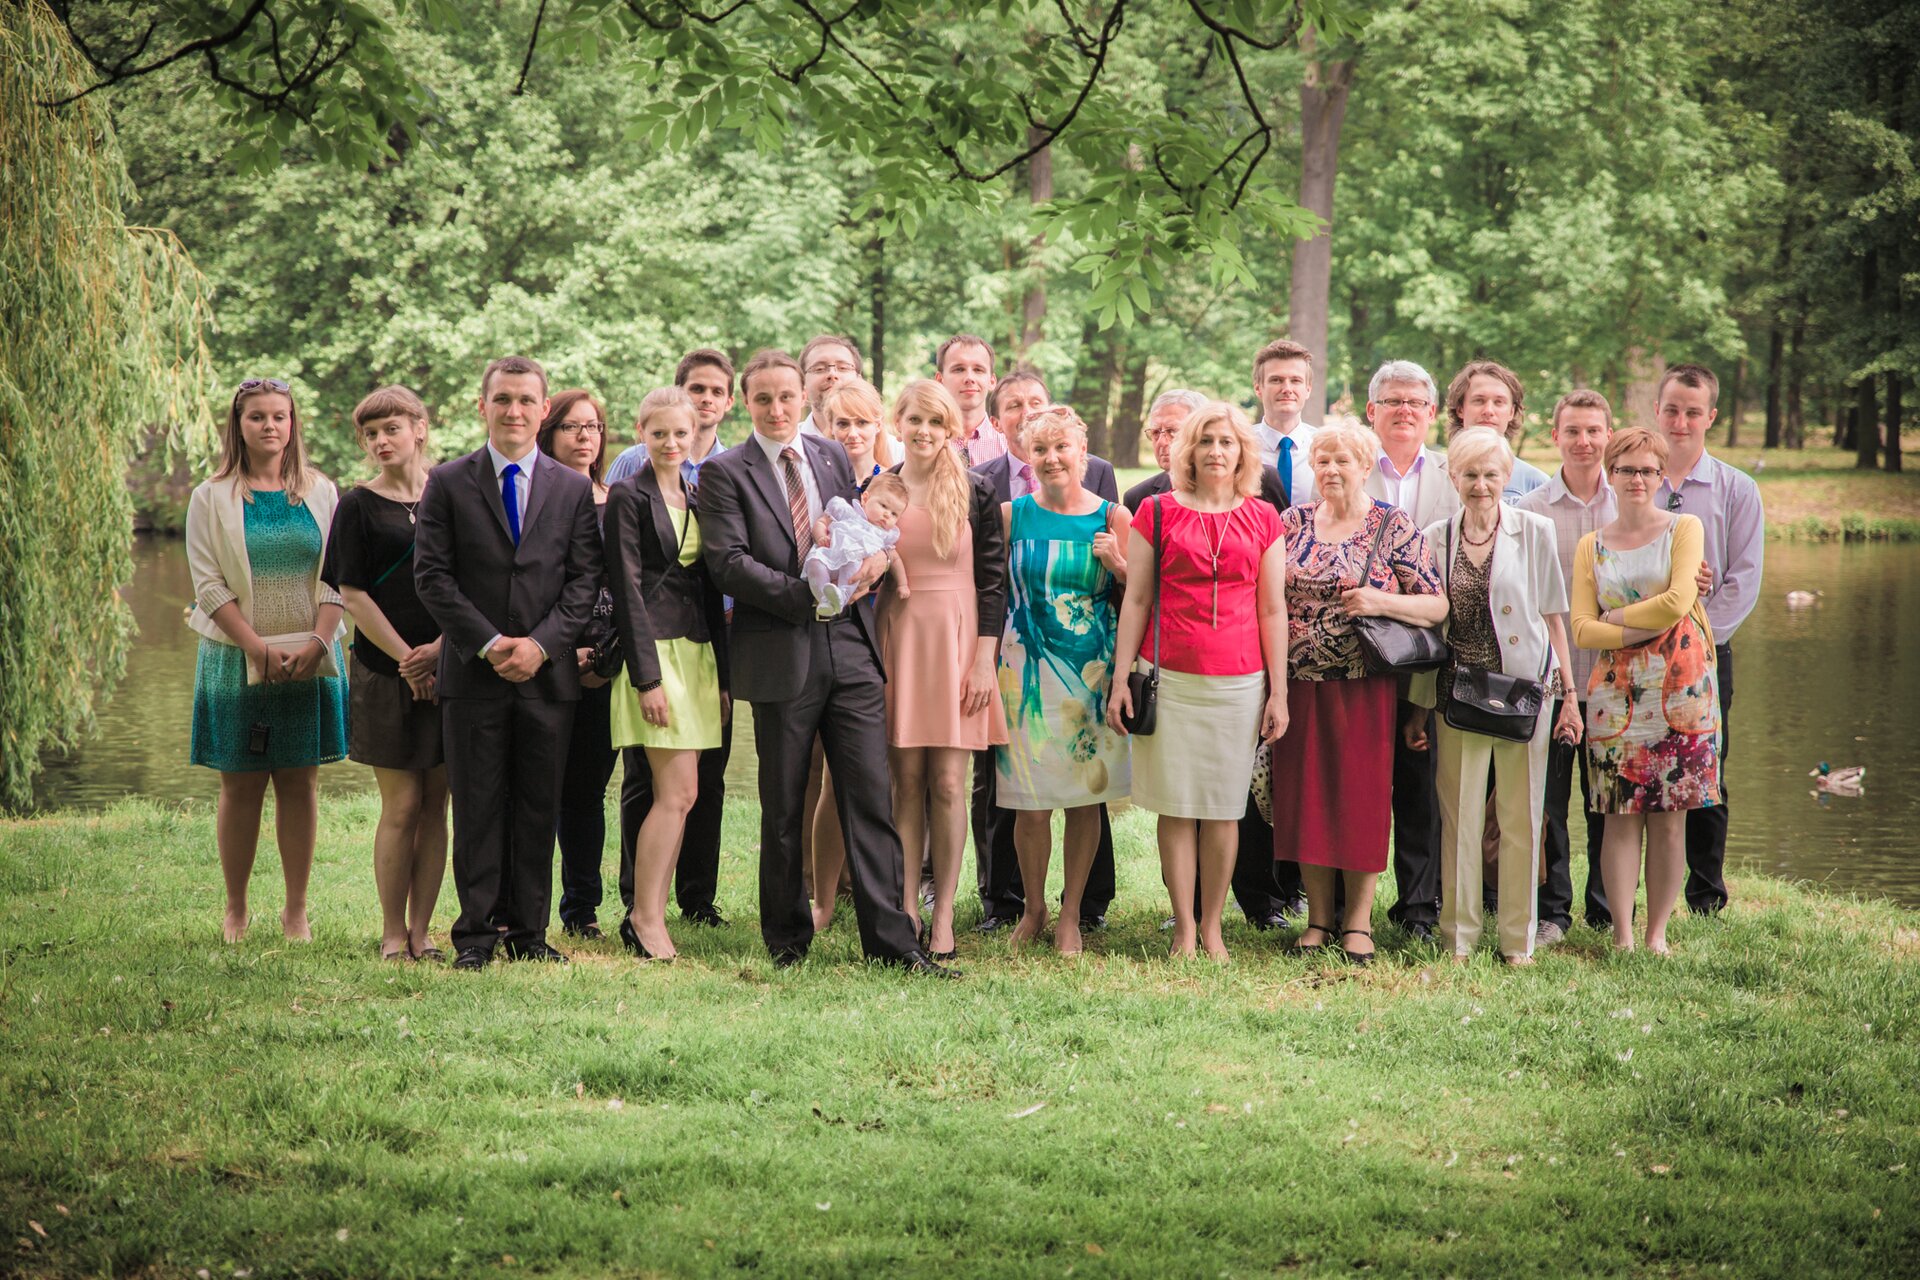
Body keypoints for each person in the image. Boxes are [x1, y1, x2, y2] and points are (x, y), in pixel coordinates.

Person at [697, 348, 949, 974]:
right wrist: (808, 598)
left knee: (870, 795)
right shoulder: (725, 473)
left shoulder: (833, 455)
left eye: (786, 397)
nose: (777, 408)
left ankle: (893, 944)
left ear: (802, 399)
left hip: (854, 650)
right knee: (783, 804)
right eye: (763, 399)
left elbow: (856, 530)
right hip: (784, 647)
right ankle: (786, 940)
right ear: (746, 403)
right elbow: (728, 563)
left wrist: (872, 565)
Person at [415, 355, 604, 971]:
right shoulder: (447, 482)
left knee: (536, 805)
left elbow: (583, 582)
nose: (515, 411)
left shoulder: (573, 489)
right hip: (473, 675)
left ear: (543, 410)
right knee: (476, 807)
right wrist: (492, 644)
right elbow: (434, 579)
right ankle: (474, 936)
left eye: (526, 400)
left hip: (548, 678)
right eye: (503, 400)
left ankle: (529, 933)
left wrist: (541, 646)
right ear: (483, 406)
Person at [1108, 402, 1289, 962]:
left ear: (1242, 452)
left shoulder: (1263, 518)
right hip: (1168, 678)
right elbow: (1135, 600)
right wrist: (1120, 680)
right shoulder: (1156, 512)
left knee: (1224, 807)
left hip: (1239, 682)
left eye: (1227, 442)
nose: (1216, 451)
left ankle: (1214, 925)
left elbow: (1273, 610)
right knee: (1177, 806)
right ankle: (1184, 926)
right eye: (1206, 441)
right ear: (1189, 450)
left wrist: (1278, 691)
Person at [1272, 425, 1447, 965]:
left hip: (1365, 687)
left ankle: (1358, 923)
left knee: (1361, 802)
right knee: (1307, 802)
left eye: (1342, 460)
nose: (1330, 469)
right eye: (1322, 460)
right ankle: (1318, 919)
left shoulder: (1391, 525)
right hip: (1299, 686)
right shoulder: (1292, 521)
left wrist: (1380, 601)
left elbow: (1437, 606)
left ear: (1365, 463)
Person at [1404, 429, 1579, 966]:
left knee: (1522, 816)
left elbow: (1554, 617)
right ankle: (1458, 937)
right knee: (1458, 819)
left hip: (1524, 693)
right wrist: (1417, 706)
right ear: (1453, 478)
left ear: (1507, 478)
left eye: (1491, 475)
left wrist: (1568, 696)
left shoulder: (1536, 530)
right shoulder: (1435, 537)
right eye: (1470, 475)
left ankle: (1517, 941)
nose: (1481, 486)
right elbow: (1431, 630)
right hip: (1457, 693)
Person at [186, 377, 349, 943]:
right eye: (258, 417)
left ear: (293, 423)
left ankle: (296, 909)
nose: (270, 426)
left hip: (312, 657)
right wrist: (257, 646)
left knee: (300, 783)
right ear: (239, 425)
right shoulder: (212, 496)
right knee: (242, 784)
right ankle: (235, 908)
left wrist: (318, 645)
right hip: (236, 657)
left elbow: (336, 578)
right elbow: (207, 585)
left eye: (280, 416)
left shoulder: (323, 492)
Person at [973, 371, 1121, 933]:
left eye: (1062, 446)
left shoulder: (1111, 517)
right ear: (1025, 454)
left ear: (1082, 450)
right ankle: (1031, 908)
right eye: (1041, 449)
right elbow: (987, 591)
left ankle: (1070, 914)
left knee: (1085, 800)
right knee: (1028, 802)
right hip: (1023, 673)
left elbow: (1138, 598)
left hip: (1090, 673)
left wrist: (1120, 565)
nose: (1053, 457)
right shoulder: (1011, 517)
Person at [1571, 427, 1722, 954]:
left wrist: (1616, 620)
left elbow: (1680, 599)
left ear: (1662, 477)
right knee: (1617, 815)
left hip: (1682, 690)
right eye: (1627, 469)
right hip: (1616, 696)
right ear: (1610, 475)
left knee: (1670, 818)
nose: (1637, 479)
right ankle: (1622, 934)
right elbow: (1580, 629)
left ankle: (1657, 934)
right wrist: (1638, 627)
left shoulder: (1685, 527)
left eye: (1648, 470)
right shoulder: (1591, 545)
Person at [875, 378, 1009, 959]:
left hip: (959, 642)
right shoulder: (879, 489)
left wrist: (985, 660)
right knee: (904, 782)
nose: (925, 432)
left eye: (936, 423)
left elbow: (994, 581)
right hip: (900, 637)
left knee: (950, 783)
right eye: (914, 421)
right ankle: (906, 904)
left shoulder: (976, 489)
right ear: (898, 424)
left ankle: (946, 912)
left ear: (950, 428)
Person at [608, 349, 735, 930]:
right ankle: (644, 915)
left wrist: (726, 678)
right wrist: (647, 678)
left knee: (684, 794)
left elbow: (712, 590)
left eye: (680, 432)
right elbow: (627, 592)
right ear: (642, 433)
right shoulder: (628, 497)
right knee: (674, 792)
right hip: (655, 656)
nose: (670, 441)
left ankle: (652, 912)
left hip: (699, 654)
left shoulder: (698, 494)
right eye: (659, 433)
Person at [324, 385, 447, 961]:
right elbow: (352, 593)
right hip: (383, 670)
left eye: (391, 429)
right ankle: (393, 933)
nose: (380, 442)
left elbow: (477, 581)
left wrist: (441, 650)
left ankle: (424, 931)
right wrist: (409, 658)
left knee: (438, 806)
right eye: (371, 434)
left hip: (451, 667)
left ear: (419, 429)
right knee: (401, 806)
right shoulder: (357, 505)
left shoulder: (451, 492)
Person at [1652, 363, 1763, 916]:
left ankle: (1705, 894)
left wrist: (1698, 641)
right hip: (1636, 646)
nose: (1680, 421)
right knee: (1640, 765)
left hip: (1706, 652)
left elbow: (1743, 578)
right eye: (1672, 409)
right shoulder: (1633, 478)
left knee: (1706, 769)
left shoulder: (1736, 489)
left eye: (1693, 412)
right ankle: (1640, 891)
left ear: (1711, 417)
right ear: (1657, 411)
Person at [1361, 359, 1462, 942]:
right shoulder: (1348, 464)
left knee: (1422, 783)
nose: (1404, 411)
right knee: (1361, 781)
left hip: (1434, 651)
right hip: (1360, 653)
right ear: (1372, 411)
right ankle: (1349, 902)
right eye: (1392, 401)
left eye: (1414, 403)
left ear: (1430, 414)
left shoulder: (1452, 476)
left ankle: (1419, 906)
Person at [1516, 390, 1617, 943]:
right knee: (1549, 803)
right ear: (1554, 436)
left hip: (1613, 682)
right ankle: (1552, 910)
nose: (1583, 441)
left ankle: (1605, 906)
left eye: (1593, 431)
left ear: (1608, 434)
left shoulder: (1627, 507)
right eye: (1572, 431)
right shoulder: (1531, 512)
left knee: (1606, 800)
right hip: (1551, 682)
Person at [538, 389, 617, 938]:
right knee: (538, 791)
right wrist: (564, 654)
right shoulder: (537, 500)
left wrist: (606, 660)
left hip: (606, 669)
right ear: (549, 433)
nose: (584, 436)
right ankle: (520, 908)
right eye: (571, 426)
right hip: (545, 662)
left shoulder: (621, 500)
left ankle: (581, 910)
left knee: (586, 795)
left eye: (592, 426)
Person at [606, 347, 734, 484]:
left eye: (717, 392)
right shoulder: (632, 461)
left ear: (728, 402)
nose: (707, 399)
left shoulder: (733, 470)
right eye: (697, 389)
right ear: (678, 392)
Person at [805, 472, 910, 615]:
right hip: (830, 555)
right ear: (865, 498)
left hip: (851, 567)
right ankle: (824, 599)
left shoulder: (883, 535)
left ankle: (841, 597)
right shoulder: (847, 512)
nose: (887, 515)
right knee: (815, 562)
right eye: (884, 506)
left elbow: (895, 559)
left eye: (894, 514)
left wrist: (902, 584)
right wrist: (821, 536)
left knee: (854, 567)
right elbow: (822, 521)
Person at [1444, 360, 1549, 500]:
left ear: (1511, 412)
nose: (1488, 411)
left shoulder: (1536, 484)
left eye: (1498, 402)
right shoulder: (1435, 478)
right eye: (1479, 401)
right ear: (1460, 409)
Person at [1250, 338, 1319, 506]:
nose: (1287, 389)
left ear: (1308, 389)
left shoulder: (1324, 446)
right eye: (1276, 380)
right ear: (1258, 388)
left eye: (1295, 381)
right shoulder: (1239, 446)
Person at [935, 333, 1008, 465]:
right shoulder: (925, 441)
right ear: (940, 380)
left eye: (978, 370)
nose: (969, 378)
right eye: (959, 369)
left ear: (992, 381)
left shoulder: (1009, 444)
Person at [819, 378, 896, 494]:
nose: (853, 434)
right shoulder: (818, 480)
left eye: (862, 422)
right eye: (843, 424)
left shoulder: (894, 482)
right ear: (831, 427)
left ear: (878, 425)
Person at [794, 334, 864, 438]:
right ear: (803, 383)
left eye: (843, 368)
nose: (832, 374)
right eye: (819, 369)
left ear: (859, 379)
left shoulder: (892, 449)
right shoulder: (789, 447)